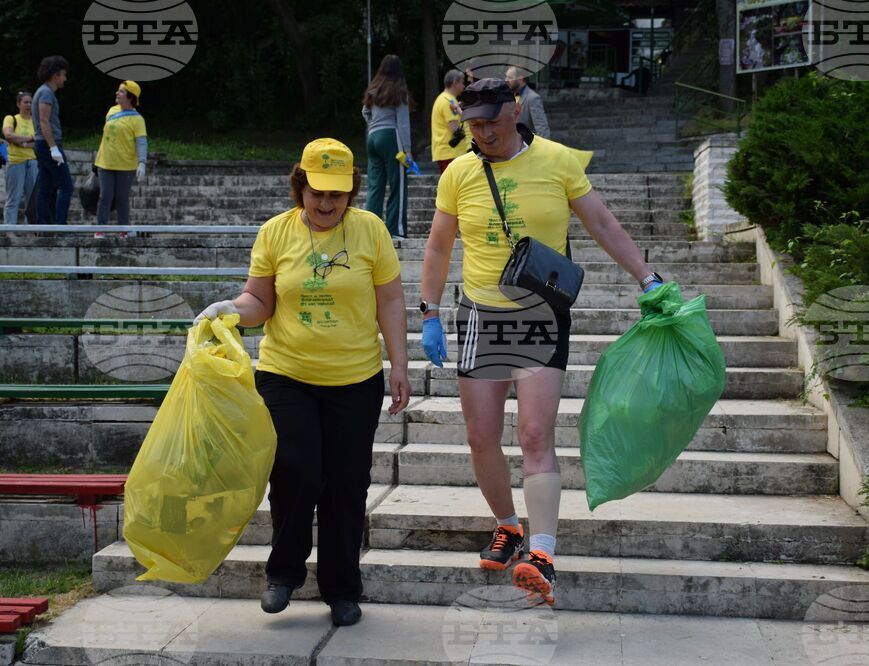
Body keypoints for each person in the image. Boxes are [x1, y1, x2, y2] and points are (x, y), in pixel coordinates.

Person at [419, 78, 663, 606]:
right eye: (473, 125)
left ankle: (545, 554)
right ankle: (508, 525)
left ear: (515, 112)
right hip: (480, 316)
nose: (481, 133)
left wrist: (646, 277)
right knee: (481, 437)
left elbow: (600, 221)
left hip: (540, 317)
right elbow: (439, 245)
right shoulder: (459, 172)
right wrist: (431, 311)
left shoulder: (557, 161)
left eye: (489, 122)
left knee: (534, 435)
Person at [195, 138, 410, 626]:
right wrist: (230, 309)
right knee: (296, 471)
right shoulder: (275, 233)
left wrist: (398, 364)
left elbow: (391, 302)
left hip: (354, 379)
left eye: (338, 194)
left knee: (347, 485)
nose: (328, 203)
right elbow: (260, 301)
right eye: (318, 193)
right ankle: (285, 571)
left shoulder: (371, 230)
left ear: (352, 191)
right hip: (286, 374)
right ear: (300, 186)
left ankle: (341, 588)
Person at [362, 54, 412, 240]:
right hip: (392, 137)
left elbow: (365, 111)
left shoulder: (373, 91)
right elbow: (403, 122)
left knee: (376, 186)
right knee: (398, 186)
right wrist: (407, 150)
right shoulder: (399, 91)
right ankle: (396, 231)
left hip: (372, 138)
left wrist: (373, 125)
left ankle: (369, 232)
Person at [94, 81, 148, 237]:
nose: (117, 93)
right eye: (118, 91)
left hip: (126, 166)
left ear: (130, 97)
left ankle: (123, 230)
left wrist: (142, 162)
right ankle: (100, 230)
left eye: (121, 92)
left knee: (122, 198)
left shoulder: (138, 120)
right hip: (105, 162)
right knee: (105, 196)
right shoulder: (111, 111)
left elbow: (141, 142)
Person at [31, 55, 73, 225]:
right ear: (55, 75)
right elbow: (44, 121)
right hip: (48, 144)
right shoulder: (46, 93)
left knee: (46, 187)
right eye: (63, 74)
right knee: (66, 186)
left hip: (43, 144)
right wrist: (53, 148)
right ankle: (61, 226)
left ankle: (44, 225)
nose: (65, 78)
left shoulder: (44, 91)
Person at [2, 92, 37, 225]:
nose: (29, 105)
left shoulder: (36, 121)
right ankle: (9, 230)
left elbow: (40, 141)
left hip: (32, 162)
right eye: (26, 102)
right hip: (16, 162)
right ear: (18, 104)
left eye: (31, 102)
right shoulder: (11, 119)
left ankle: (30, 230)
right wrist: (29, 139)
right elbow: (9, 135)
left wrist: (20, 141)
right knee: (13, 199)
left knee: (32, 200)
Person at [430, 69, 471, 174]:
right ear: (455, 83)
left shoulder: (444, 99)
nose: (463, 86)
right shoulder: (449, 102)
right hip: (451, 153)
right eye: (462, 82)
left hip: (447, 152)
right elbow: (455, 130)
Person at [505, 66, 550, 138]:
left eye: (510, 77)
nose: (506, 80)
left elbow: (542, 129)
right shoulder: (507, 96)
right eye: (506, 77)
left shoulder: (533, 98)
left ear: (520, 79)